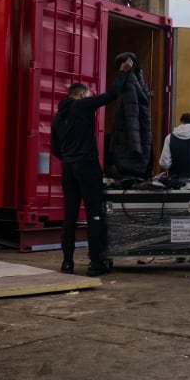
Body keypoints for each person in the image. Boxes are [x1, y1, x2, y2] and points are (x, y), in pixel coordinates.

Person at [51, 56, 134, 276]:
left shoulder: (57, 118)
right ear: (80, 95)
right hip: (87, 166)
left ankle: (67, 263)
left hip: (68, 168)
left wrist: (69, 156)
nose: (89, 97)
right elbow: (112, 95)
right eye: (87, 94)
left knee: (69, 217)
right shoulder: (83, 105)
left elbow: (55, 150)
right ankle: (96, 263)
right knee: (94, 214)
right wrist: (123, 72)